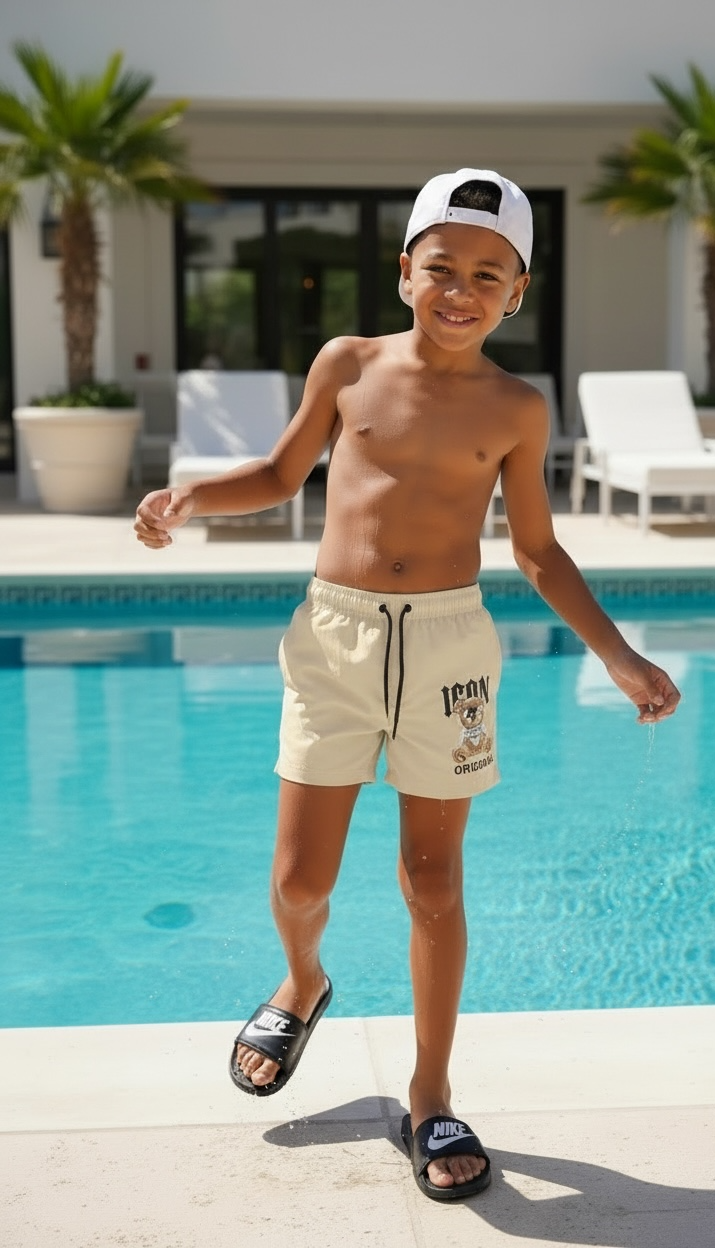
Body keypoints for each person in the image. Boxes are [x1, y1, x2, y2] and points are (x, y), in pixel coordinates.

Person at [134, 168, 681, 1202]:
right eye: (443, 268)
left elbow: (537, 551)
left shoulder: (517, 406)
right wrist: (192, 498)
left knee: (432, 885)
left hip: (448, 652)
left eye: (488, 274)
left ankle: (429, 1094)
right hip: (333, 639)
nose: (461, 290)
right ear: (404, 273)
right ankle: (304, 981)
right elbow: (281, 474)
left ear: (516, 293)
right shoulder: (347, 363)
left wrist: (617, 653)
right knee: (300, 883)